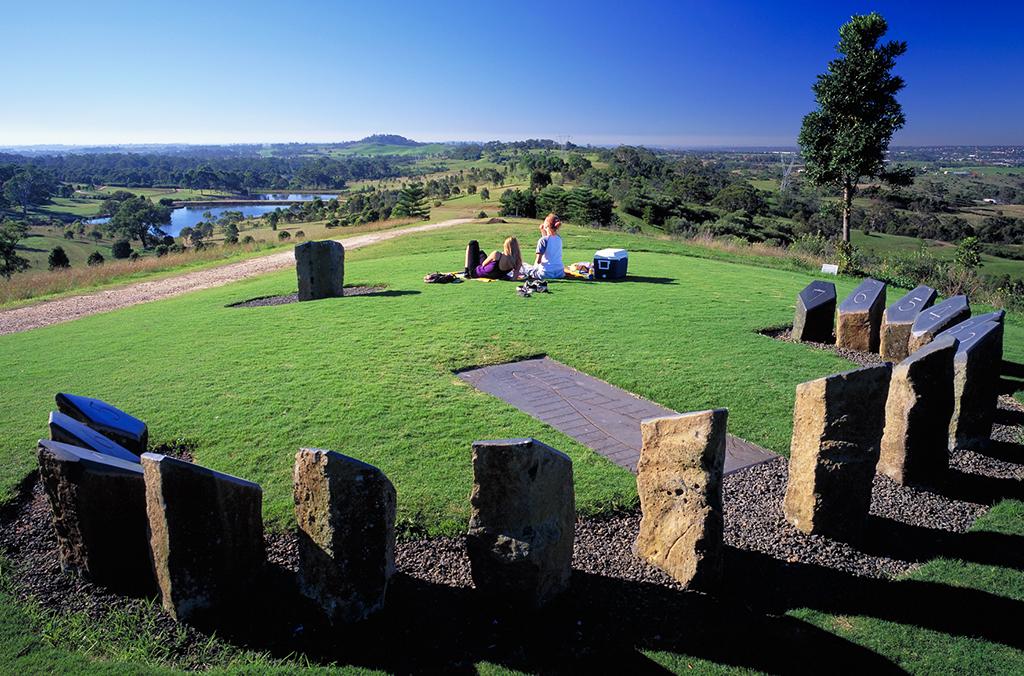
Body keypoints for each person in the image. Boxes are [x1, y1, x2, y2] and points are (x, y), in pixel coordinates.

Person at [525, 213, 564, 279]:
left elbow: (538, 261)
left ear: (546, 225)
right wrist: (543, 231)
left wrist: (534, 269)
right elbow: (548, 240)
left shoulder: (543, 240)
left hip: (545, 273)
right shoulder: (559, 239)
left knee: (524, 266)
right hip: (559, 273)